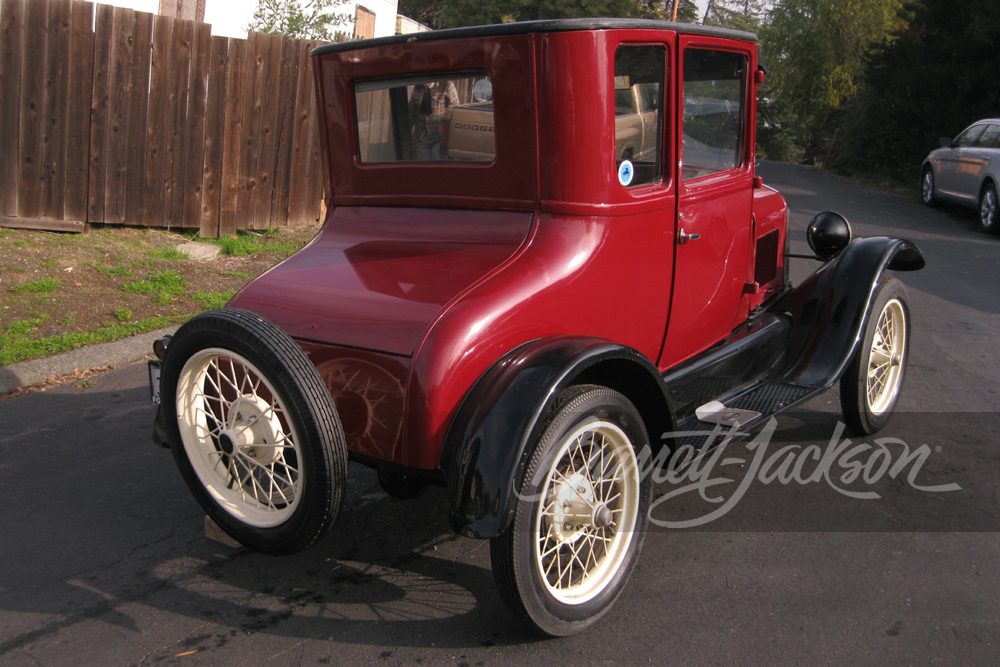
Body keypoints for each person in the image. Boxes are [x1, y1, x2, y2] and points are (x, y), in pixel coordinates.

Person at [409, 80, 459, 161]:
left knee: (437, 166)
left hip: (439, 137)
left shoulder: (447, 86)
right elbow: (411, 112)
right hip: (422, 136)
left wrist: (445, 128)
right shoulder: (417, 88)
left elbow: (455, 111)